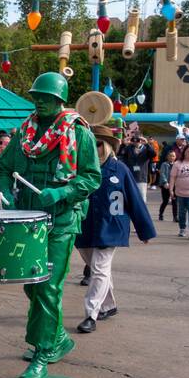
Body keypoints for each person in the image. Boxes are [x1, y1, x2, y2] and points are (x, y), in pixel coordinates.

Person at [0, 72, 101, 378]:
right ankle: (58, 339)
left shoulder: (78, 133)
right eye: (36, 96)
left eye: (46, 97)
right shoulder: (25, 132)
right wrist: (4, 193)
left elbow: (91, 178)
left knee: (47, 287)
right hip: (27, 222)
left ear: (59, 100)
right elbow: (1, 170)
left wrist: (62, 192)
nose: (39, 101)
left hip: (61, 222)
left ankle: (41, 356)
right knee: (30, 286)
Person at [74, 125, 154, 333]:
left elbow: (135, 201)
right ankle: (109, 305)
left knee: (99, 269)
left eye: (98, 144)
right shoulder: (78, 169)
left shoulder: (120, 170)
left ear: (108, 146)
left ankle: (91, 313)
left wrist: (145, 230)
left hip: (111, 228)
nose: (94, 147)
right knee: (97, 268)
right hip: (84, 227)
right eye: (90, 144)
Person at [156, 147, 177, 223]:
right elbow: (163, 174)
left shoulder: (176, 164)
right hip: (165, 185)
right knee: (165, 201)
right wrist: (165, 182)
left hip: (174, 185)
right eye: (170, 156)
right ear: (167, 157)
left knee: (175, 201)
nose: (172, 157)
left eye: (173, 156)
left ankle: (175, 216)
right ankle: (161, 214)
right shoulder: (164, 164)